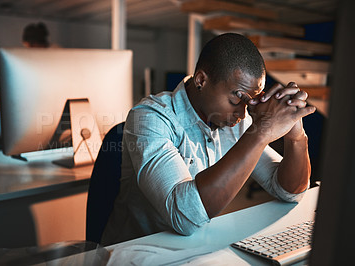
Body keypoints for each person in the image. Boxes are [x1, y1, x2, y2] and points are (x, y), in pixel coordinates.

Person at [100, 33, 316, 246]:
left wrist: (295, 132)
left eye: (249, 102)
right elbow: (183, 217)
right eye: (237, 98)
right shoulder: (149, 117)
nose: (243, 114)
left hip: (197, 249)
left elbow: (288, 191)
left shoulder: (235, 122)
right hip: (136, 254)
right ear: (202, 80)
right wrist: (260, 133)